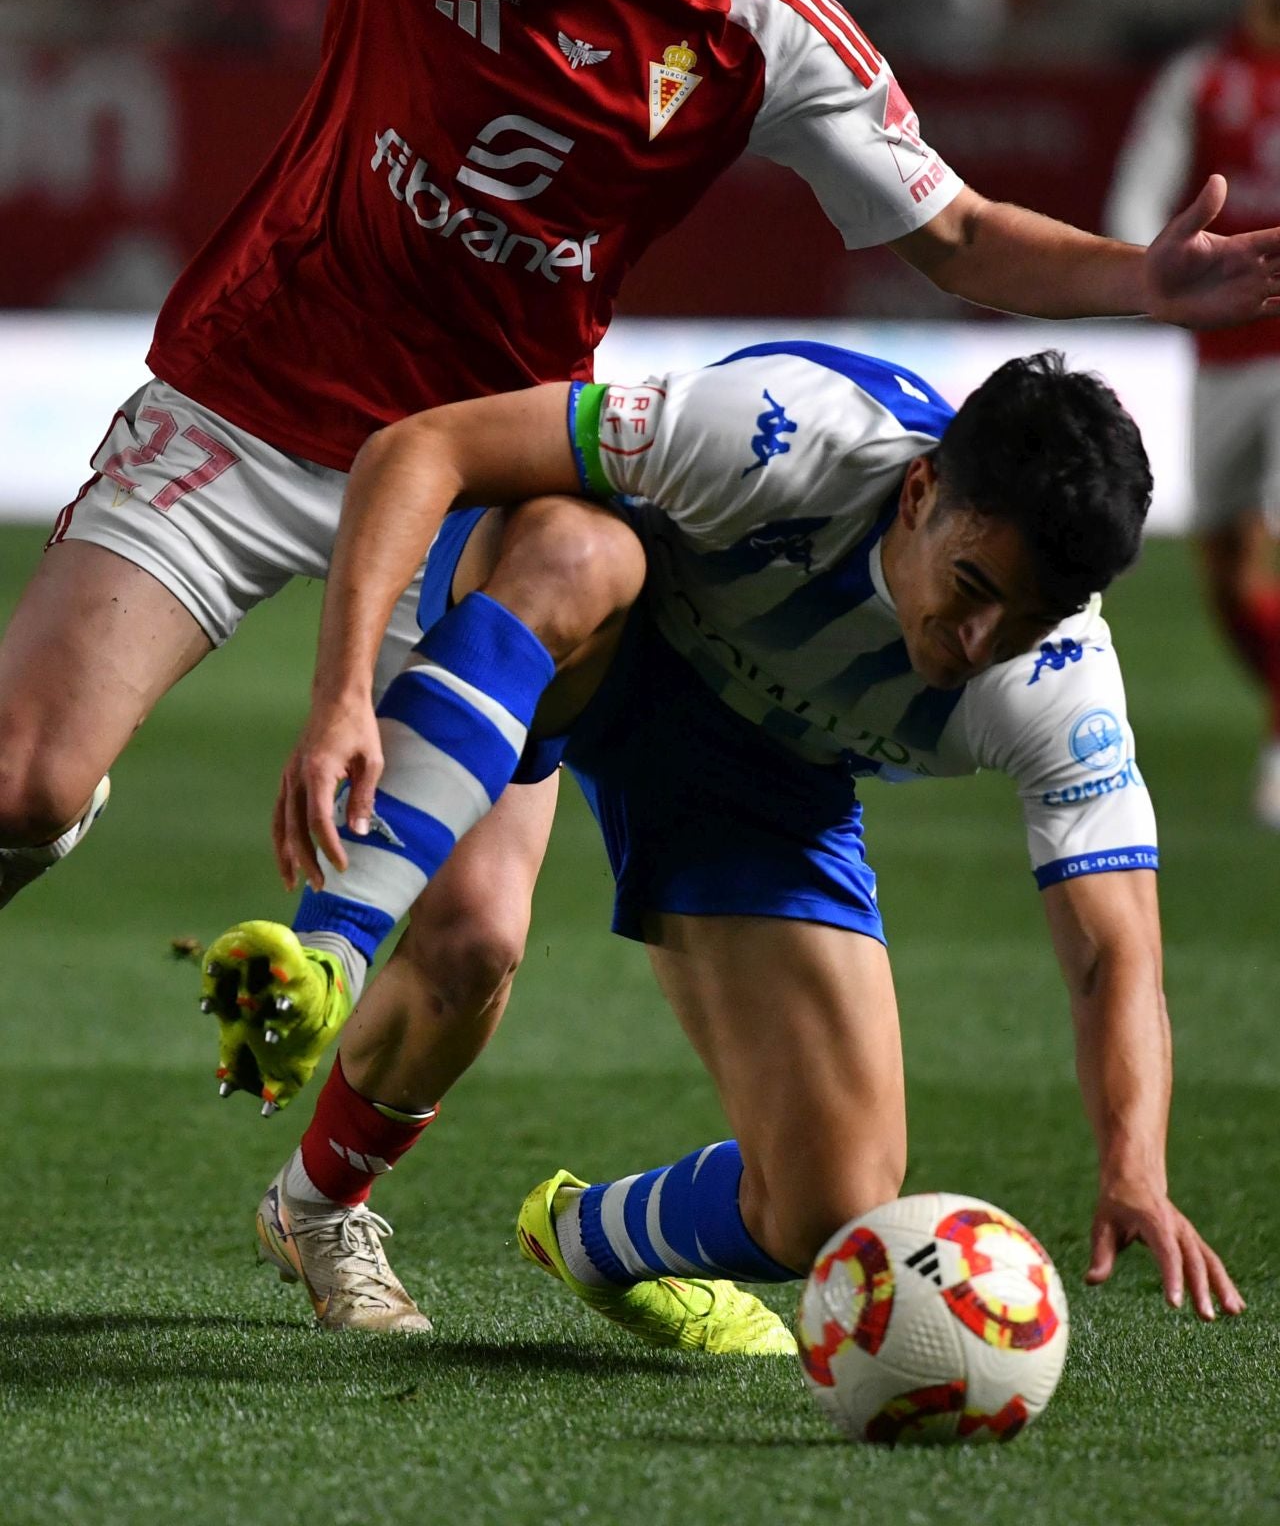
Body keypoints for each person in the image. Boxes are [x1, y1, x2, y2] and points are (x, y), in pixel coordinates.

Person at [3, 0, 1275, 1335]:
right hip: (252, 401)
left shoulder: (768, 27)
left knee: (472, 944)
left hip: (488, 470)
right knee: (21, 786)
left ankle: (319, 1211)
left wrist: (1144, 277)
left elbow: (959, 231)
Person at [224, 340, 1243, 1344]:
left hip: (759, 777)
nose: (978, 644)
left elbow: (1114, 951)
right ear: (919, 490)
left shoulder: (1058, 684)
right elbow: (423, 446)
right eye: (972, 587)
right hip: (583, 622)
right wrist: (342, 694)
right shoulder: (781, 433)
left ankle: (587, 1239)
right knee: (473, 933)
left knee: (829, 1205)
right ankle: (323, 983)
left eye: (1026, 619)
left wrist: (1132, 1170)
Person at [1107, 0, 1280, 829]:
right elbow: (1136, 211)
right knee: (1224, 575)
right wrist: (1158, 275)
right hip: (1224, 362)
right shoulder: (1202, 79)